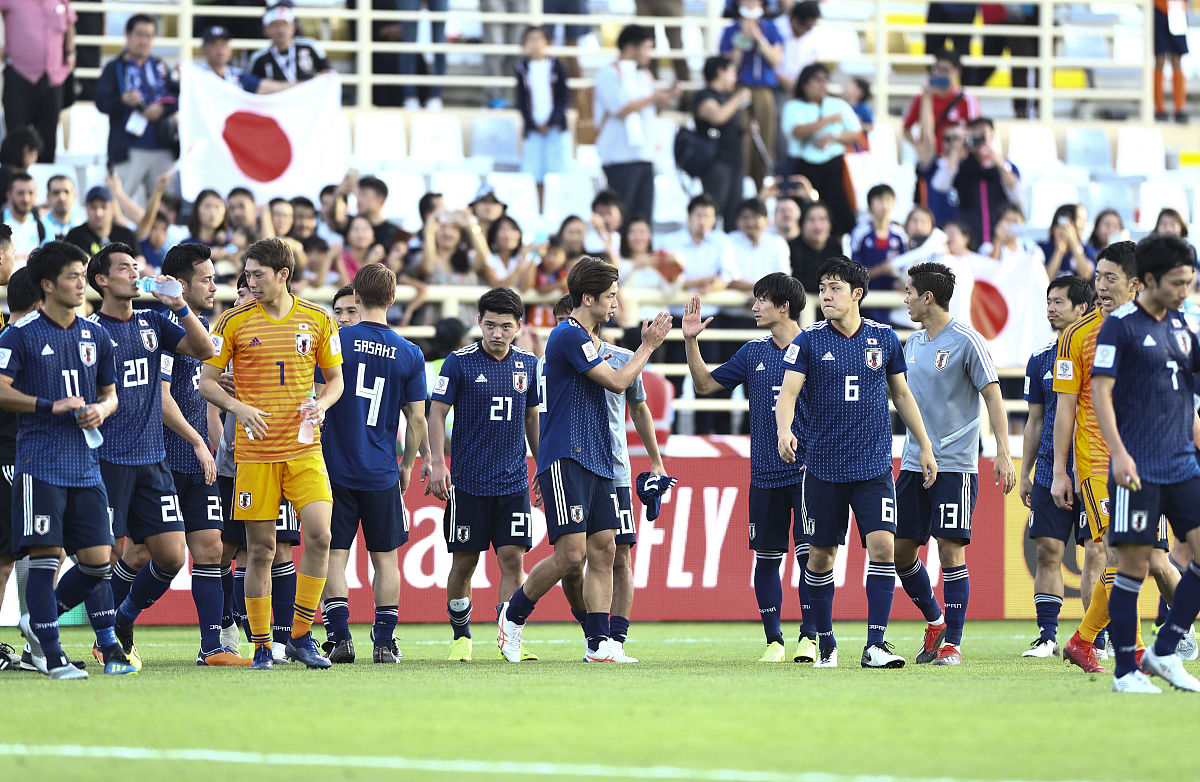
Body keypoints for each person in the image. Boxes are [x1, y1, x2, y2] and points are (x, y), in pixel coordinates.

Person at [496, 258, 671, 662]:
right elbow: (617, 381)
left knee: (606, 549)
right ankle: (514, 615)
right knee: (571, 555)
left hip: (600, 459)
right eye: (610, 295)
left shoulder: (590, 339)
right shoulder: (567, 334)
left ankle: (598, 643)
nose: (615, 302)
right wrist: (648, 346)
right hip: (566, 456)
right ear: (588, 297)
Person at [776, 256, 939, 669]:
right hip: (824, 469)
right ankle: (826, 644)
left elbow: (901, 396)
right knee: (820, 557)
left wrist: (924, 445)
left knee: (884, 547)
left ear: (857, 294)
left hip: (873, 468)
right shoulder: (808, 341)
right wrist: (784, 429)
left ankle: (875, 646)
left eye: (834, 288)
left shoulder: (884, 339)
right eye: (823, 287)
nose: (826, 295)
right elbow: (788, 395)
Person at [199, 237, 345, 671]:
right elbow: (207, 382)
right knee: (260, 551)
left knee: (320, 535)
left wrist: (322, 403)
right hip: (255, 455)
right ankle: (262, 644)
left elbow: (335, 380)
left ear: (283, 275)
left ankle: (300, 636)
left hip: (303, 450)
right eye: (247, 274)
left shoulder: (318, 319)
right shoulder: (233, 321)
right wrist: (239, 407)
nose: (249, 281)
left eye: (257, 274)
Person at [0, 242, 136, 678]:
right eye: (73, 276)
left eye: (83, 274)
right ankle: (54, 656)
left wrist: (104, 409)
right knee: (45, 556)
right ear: (47, 284)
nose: (82, 283)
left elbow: (110, 393)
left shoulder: (96, 335)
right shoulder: (19, 335)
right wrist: (47, 405)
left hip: (86, 466)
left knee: (98, 562)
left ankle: (38, 620)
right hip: (40, 465)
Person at [1053, 241, 1185, 674]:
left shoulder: (1158, 328)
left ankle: (1094, 639)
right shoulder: (1076, 335)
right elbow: (1066, 409)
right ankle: (1122, 646)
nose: (1100, 286)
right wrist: (1059, 470)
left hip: (1148, 461)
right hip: (1098, 463)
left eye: (1110, 278)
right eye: (1098, 276)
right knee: (1121, 553)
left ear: (1135, 283)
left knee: (1152, 560)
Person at [85, 244, 214, 668]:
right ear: (102, 280)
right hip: (107, 461)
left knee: (173, 556)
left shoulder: (154, 321)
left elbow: (205, 351)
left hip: (152, 461)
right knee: (103, 558)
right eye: (124, 267)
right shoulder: (89, 331)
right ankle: (102, 640)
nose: (134, 272)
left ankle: (122, 620)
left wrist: (179, 306)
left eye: (135, 266)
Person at [683, 274, 816, 661]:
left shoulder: (817, 346)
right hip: (765, 474)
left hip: (809, 473)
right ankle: (774, 641)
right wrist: (691, 340)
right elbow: (705, 385)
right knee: (767, 558)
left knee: (812, 558)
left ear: (783, 306)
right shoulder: (753, 352)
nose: (754, 307)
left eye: (761, 300)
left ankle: (810, 636)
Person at [894, 262, 1016, 667]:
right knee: (900, 553)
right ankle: (935, 619)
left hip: (956, 465)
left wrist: (1001, 451)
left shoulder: (967, 340)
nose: (905, 298)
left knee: (950, 551)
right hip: (913, 463)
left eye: (909, 291)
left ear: (927, 297)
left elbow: (993, 395)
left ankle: (954, 644)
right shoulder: (910, 345)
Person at [1096, 234, 1200, 693]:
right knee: (1135, 566)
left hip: (1182, 464)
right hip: (1138, 469)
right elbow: (1101, 391)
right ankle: (1124, 673)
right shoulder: (1120, 325)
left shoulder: (1181, 325)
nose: (1184, 291)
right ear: (1151, 280)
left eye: (1190, 283)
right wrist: (1118, 453)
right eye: (1178, 283)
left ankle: (1165, 650)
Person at [320, 264, 428, 664]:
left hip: (334, 468)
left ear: (357, 299)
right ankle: (384, 642)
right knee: (385, 559)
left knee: (335, 554)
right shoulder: (410, 352)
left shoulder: (334, 339)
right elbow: (416, 419)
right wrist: (406, 464)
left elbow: (318, 400)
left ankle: (340, 637)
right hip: (382, 469)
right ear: (393, 299)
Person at [429, 287, 539, 662]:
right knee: (465, 563)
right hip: (468, 484)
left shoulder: (528, 364)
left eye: (505, 326)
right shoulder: (458, 363)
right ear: (478, 322)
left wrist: (541, 464)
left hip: (513, 482)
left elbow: (531, 418)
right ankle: (461, 636)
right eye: (489, 324)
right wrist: (437, 463)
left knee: (513, 559)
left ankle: (510, 638)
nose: (496, 333)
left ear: (519, 326)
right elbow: (436, 413)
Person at [154, 243, 248, 665]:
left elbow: (195, 383)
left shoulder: (198, 323)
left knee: (211, 547)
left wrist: (222, 386)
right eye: (206, 279)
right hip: (162, 458)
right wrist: (197, 440)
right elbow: (162, 398)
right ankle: (117, 625)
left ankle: (212, 646)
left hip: (198, 461)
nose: (214, 286)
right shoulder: (161, 325)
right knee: (142, 555)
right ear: (181, 284)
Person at [212, 275, 303, 663]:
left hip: (282, 458)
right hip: (235, 466)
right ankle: (226, 625)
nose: (244, 299)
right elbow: (208, 395)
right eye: (239, 294)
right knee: (224, 550)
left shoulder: (290, 333)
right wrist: (222, 445)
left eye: (248, 292)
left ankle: (280, 641)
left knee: (277, 549)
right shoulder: (230, 334)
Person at [1019, 275, 1093, 657]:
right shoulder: (1041, 359)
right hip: (1050, 471)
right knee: (1048, 550)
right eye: (1048, 301)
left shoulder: (1102, 350)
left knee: (1097, 554)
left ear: (1082, 307)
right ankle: (1048, 635)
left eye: (1059, 301)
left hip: (1095, 469)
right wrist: (1026, 472)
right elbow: (1034, 421)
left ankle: (1097, 636)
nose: (1051, 308)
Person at [593, 25, 679, 224]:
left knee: (643, 218)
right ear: (631, 47)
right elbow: (620, 107)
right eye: (647, 48)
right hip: (619, 156)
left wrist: (665, 97)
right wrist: (654, 97)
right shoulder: (608, 73)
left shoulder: (644, 75)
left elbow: (651, 109)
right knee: (621, 218)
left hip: (645, 154)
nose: (650, 54)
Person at [94, 14, 180, 204]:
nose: (144, 41)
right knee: (119, 205)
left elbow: (179, 96)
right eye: (139, 34)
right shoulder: (115, 67)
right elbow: (101, 102)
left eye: (149, 36)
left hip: (162, 148)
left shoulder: (160, 66)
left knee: (165, 207)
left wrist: (162, 109)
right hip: (128, 149)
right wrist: (122, 100)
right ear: (128, 35)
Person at [0, 263, 35, 668]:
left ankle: (35, 643)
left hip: (21, 455)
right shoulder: (14, 339)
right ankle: (36, 643)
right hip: (11, 455)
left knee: (28, 552)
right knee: (13, 555)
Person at [781, 63, 860, 238]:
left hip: (833, 166)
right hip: (802, 167)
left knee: (839, 214)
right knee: (801, 212)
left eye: (825, 80)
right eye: (817, 80)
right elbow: (798, 132)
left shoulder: (838, 104)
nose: (822, 85)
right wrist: (828, 121)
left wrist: (833, 137)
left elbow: (856, 133)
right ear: (804, 84)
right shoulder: (793, 106)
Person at [0, 0, 77, 164]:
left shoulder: (60, 2)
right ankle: (14, 182)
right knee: (16, 136)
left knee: (48, 136)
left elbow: (70, 25)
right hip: (20, 75)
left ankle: (43, 183)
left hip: (53, 78)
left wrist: (70, 52)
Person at [719, 0, 783, 191]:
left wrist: (759, 38)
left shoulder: (771, 28)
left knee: (765, 137)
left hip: (763, 90)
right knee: (743, 137)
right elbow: (730, 64)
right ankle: (742, 183)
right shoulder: (730, 30)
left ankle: (762, 184)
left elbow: (776, 59)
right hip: (740, 88)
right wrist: (743, 39)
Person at [936, 118, 1020, 249]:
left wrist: (998, 161)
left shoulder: (1005, 165)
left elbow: (1016, 195)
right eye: (974, 134)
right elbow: (940, 185)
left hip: (999, 239)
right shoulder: (961, 166)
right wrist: (956, 152)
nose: (978, 139)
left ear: (992, 136)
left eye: (982, 134)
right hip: (970, 236)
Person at [514, 26, 571, 208]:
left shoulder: (556, 65)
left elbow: (563, 96)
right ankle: (537, 208)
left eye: (539, 39)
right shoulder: (522, 68)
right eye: (531, 39)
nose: (535, 44)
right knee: (533, 172)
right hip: (533, 129)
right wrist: (532, 123)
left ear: (547, 42)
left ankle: (555, 208)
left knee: (556, 172)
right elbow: (521, 100)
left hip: (555, 127)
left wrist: (553, 119)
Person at [693, 56, 751, 230]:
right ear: (720, 71)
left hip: (734, 162)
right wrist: (738, 97)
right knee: (712, 210)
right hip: (716, 164)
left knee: (735, 214)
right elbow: (717, 116)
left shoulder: (725, 98)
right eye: (732, 72)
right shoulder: (705, 96)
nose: (735, 77)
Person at [902, 50, 979, 159]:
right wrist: (918, 148)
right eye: (938, 69)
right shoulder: (921, 97)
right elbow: (906, 128)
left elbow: (975, 130)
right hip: (931, 161)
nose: (940, 74)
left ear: (957, 72)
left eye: (946, 70)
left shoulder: (967, 98)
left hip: (957, 162)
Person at [849, 184, 907, 324]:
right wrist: (881, 269)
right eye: (880, 200)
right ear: (870, 206)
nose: (884, 205)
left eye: (888, 200)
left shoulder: (900, 235)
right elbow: (853, 273)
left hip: (894, 303)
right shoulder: (860, 233)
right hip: (865, 302)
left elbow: (907, 268)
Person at [248, 3, 330, 83]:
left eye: (285, 24)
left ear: (293, 27)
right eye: (275, 25)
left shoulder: (309, 47)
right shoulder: (259, 58)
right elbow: (252, 87)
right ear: (265, 30)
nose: (281, 30)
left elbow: (328, 73)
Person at [198, 25, 290, 94]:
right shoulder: (197, 74)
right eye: (214, 46)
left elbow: (271, 88)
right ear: (204, 50)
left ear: (230, 49)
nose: (220, 51)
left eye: (223, 45)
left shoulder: (238, 76)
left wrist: (302, 86)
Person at [63, 187, 140, 264]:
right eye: (93, 207)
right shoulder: (75, 236)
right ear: (86, 209)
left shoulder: (126, 234)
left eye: (104, 207)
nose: (98, 213)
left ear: (112, 209)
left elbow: (140, 260)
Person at [727, 198, 791, 291]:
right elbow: (727, 279)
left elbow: (783, 279)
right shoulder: (728, 242)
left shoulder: (778, 243)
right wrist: (759, 290)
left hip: (771, 302)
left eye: (755, 216)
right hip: (733, 303)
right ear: (737, 222)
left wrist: (761, 294)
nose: (750, 222)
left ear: (767, 221)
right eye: (745, 217)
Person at [788, 199, 839, 297]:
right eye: (811, 220)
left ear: (830, 224)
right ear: (802, 224)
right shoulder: (790, 248)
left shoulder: (835, 247)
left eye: (822, 219)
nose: (818, 226)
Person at [1152, 0, 1189, 122]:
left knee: (1177, 59)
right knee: (1160, 58)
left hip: (1177, 9)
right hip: (1159, 9)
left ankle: (1179, 107)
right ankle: (1159, 108)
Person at [1039, 203, 1095, 280]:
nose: (1083, 225)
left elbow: (1086, 275)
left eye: (1085, 220)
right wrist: (1059, 251)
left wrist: (1074, 243)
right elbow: (1044, 280)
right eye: (1079, 219)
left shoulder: (1085, 249)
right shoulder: (1042, 249)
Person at [775, 0, 820, 95]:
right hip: (775, 86)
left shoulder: (811, 34)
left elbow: (811, 59)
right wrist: (779, 77)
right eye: (806, 27)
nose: (807, 31)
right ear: (795, 20)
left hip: (798, 89)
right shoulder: (776, 28)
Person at [3, 173, 44, 264]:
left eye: (30, 193)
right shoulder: (1, 222)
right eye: (20, 193)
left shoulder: (44, 226)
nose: (26, 199)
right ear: (9, 195)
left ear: (36, 195)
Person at [356, 176, 402, 251]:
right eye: (358, 195)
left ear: (381, 200)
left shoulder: (395, 234)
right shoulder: (351, 224)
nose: (358, 199)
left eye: (363, 194)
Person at [41, 175, 86, 242]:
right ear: (48, 197)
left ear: (75, 196)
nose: (62, 197)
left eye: (66, 192)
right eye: (56, 192)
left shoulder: (83, 226)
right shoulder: (39, 226)